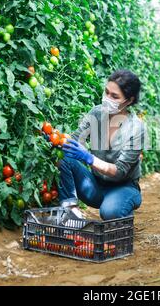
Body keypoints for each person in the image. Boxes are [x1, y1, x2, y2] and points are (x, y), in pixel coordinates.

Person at [57, 70, 145, 220]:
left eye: (114, 96)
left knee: (110, 212)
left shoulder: (136, 128)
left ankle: (121, 211)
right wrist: (55, 139)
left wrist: (89, 158)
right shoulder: (97, 113)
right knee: (65, 159)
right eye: (107, 92)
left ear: (129, 101)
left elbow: (120, 171)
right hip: (95, 186)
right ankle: (70, 211)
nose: (107, 98)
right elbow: (75, 139)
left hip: (124, 186)